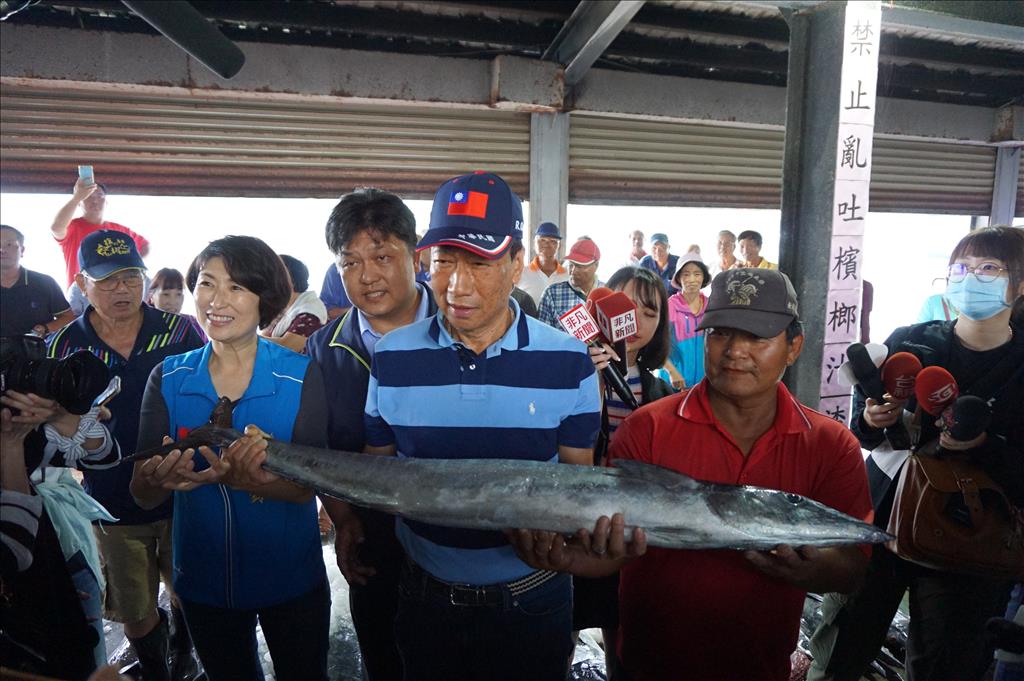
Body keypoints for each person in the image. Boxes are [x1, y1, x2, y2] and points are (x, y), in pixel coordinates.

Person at [514, 267, 874, 681]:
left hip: (759, 668)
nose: (734, 351)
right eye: (720, 333)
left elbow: (854, 567)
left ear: (794, 347)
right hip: (646, 665)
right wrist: (574, 558)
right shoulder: (648, 428)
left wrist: (811, 567)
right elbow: (615, 552)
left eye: (757, 337)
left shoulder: (831, 445)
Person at [363, 171, 601, 681]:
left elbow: (576, 488)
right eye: (444, 260)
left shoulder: (569, 361)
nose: (456, 284)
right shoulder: (391, 356)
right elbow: (379, 478)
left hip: (532, 599)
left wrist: (575, 543)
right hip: (423, 596)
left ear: (517, 263)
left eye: (479, 261)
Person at [808, 225, 1024, 681]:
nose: (971, 279)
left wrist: (983, 447)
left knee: (945, 665)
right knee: (838, 650)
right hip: (880, 517)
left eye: (989, 268)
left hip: (970, 538)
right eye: (960, 269)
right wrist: (872, 419)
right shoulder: (911, 340)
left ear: (1019, 285)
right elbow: (862, 433)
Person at [130, 235, 331, 681]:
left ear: (267, 299)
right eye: (206, 284)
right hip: (202, 583)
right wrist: (160, 478)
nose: (216, 301)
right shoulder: (169, 377)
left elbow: (306, 490)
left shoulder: (300, 376)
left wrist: (248, 480)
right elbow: (141, 494)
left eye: (237, 287)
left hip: (292, 581)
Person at [46, 230, 203, 681]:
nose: (122, 289)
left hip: (184, 492)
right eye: (108, 279)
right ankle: (156, 670)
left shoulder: (181, 330)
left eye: (132, 277)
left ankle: (184, 653)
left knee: (189, 590)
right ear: (81, 282)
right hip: (110, 502)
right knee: (133, 605)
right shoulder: (64, 348)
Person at [307, 188, 437, 681]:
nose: (366, 276)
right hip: (374, 542)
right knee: (384, 660)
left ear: (416, 254)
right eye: (350, 262)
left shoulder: (466, 326)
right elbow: (319, 447)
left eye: (382, 256)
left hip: (465, 540)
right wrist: (342, 519)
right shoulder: (325, 351)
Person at [572, 265, 674, 678]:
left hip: (632, 526)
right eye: (626, 306)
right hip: (576, 524)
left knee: (624, 631)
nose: (635, 321)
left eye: (649, 313)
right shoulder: (570, 371)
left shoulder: (660, 391)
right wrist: (588, 381)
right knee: (565, 620)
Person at [1, 385, 118, 680]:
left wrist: (62, 416)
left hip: (59, 549)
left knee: (83, 652)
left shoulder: (18, 413)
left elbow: (105, 454)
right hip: (26, 590)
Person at [50, 179, 150, 288]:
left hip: (117, 291)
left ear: (106, 202)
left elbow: (145, 245)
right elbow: (56, 228)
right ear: (79, 203)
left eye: (100, 196)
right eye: (88, 196)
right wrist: (76, 198)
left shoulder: (120, 231)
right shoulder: (73, 227)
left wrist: (130, 266)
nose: (95, 201)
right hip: (83, 293)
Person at [1, 224, 76, 337]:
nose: (2, 250)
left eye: (9, 244)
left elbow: (68, 317)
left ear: (22, 250)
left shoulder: (44, 283)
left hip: (36, 352)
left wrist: (45, 329)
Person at [262, 254, 327, 354]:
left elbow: (285, 348)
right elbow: (264, 338)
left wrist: (242, 339)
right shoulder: (281, 309)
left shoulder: (310, 312)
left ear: (292, 280)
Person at [666, 250, 711, 390]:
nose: (692, 279)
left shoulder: (711, 306)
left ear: (703, 277)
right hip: (674, 382)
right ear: (679, 278)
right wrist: (672, 372)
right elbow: (657, 345)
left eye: (697, 274)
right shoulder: (670, 306)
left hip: (703, 384)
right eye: (686, 274)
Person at [538, 237, 602, 329]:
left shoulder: (609, 292)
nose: (573, 271)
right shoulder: (551, 294)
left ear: (596, 265)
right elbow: (542, 335)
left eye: (580, 266)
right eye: (571, 264)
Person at [147, 268, 206, 342]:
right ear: (151, 296)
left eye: (178, 294)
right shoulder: (142, 325)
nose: (173, 301)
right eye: (166, 294)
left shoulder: (192, 323)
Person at [517, 221, 569, 305]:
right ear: (534, 243)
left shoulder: (567, 276)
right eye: (542, 240)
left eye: (553, 241)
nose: (547, 244)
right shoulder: (521, 273)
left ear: (559, 246)